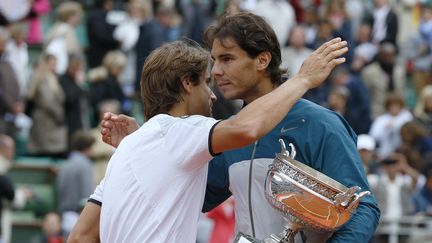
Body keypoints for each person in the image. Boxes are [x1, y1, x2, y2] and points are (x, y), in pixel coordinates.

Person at [69, 13, 377, 243]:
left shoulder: (319, 123)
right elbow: (176, 190)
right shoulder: (226, 135)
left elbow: (362, 208)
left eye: (227, 59)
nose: (216, 72)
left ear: (262, 60)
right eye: (213, 61)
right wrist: (146, 146)